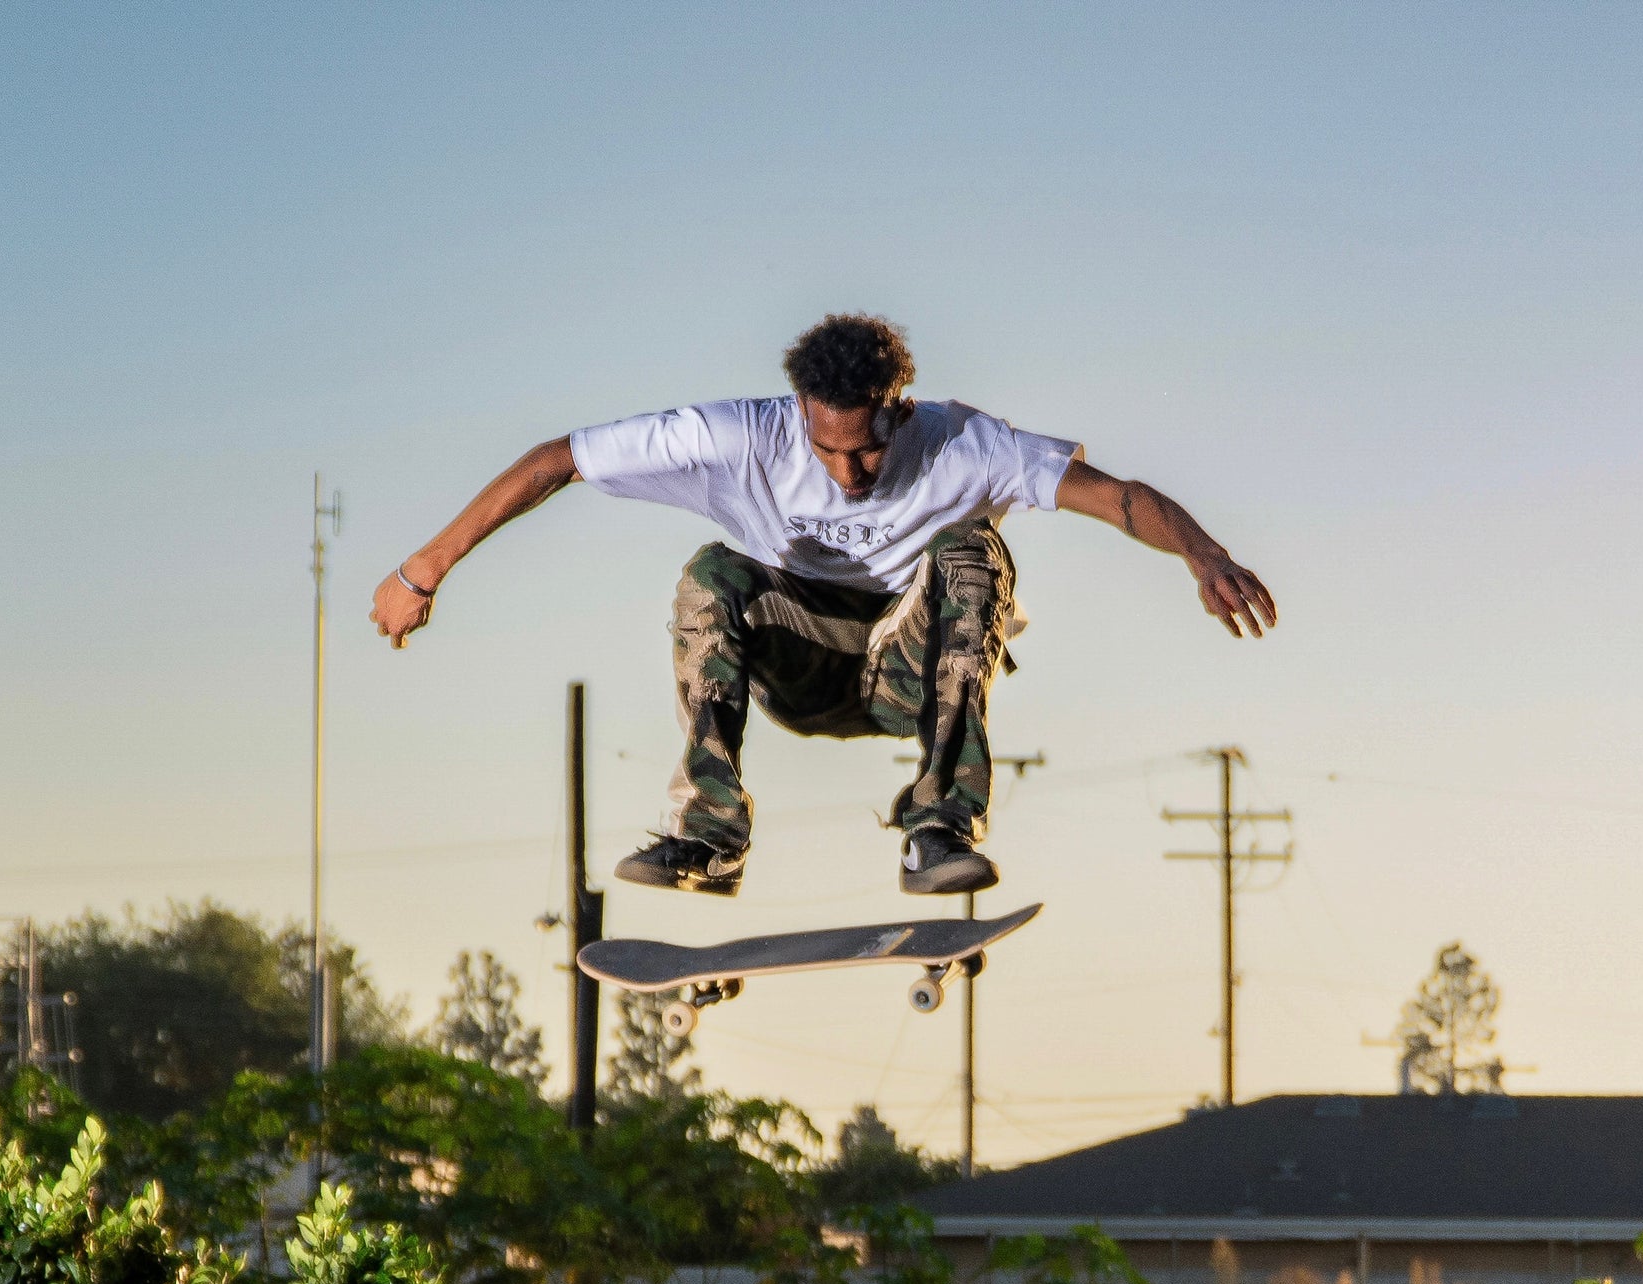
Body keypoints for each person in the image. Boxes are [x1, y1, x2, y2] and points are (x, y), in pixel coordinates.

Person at [370, 314, 1276, 898]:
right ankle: (710, 833)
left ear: (900, 409)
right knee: (712, 571)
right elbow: (556, 458)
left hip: (909, 672)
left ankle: (939, 824)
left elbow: (1118, 495)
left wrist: (1205, 553)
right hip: (799, 666)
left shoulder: (967, 442)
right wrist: (424, 569)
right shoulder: (735, 435)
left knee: (973, 553)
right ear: (798, 410)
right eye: (828, 449)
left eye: (870, 449)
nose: (850, 474)